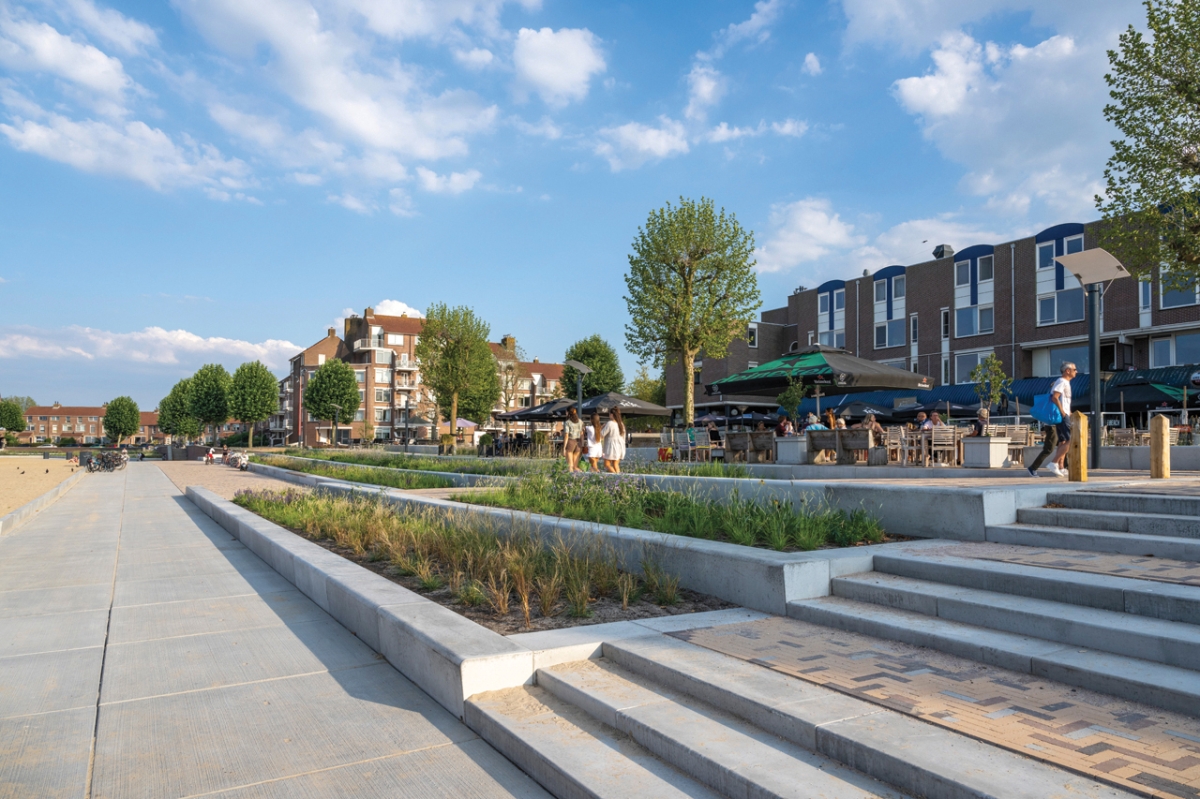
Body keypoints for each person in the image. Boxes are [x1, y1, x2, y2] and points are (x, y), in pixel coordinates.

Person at [1029, 361, 1076, 477]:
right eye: (1074, 369)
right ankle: (1054, 463)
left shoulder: (1065, 382)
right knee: (1071, 440)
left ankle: (1060, 466)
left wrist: (1068, 412)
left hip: (1064, 415)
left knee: (1064, 441)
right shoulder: (1062, 381)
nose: (1076, 372)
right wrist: (1063, 412)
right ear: (1067, 371)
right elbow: (1055, 398)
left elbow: (1064, 401)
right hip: (1062, 416)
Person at [602, 408, 626, 473]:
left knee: (606, 464)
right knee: (616, 464)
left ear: (612, 414)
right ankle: (619, 478)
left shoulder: (610, 423)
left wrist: (602, 427)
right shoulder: (621, 424)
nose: (609, 415)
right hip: (620, 446)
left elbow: (602, 434)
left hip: (611, 447)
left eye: (609, 413)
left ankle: (615, 477)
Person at [563, 407, 584, 472]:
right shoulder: (580, 421)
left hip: (571, 442)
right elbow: (582, 433)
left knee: (570, 465)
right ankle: (579, 478)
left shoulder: (567, 422)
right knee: (575, 466)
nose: (565, 413)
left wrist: (564, 448)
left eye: (566, 412)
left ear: (568, 413)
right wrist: (582, 444)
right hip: (578, 443)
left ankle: (570, 480)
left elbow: (566, 435)